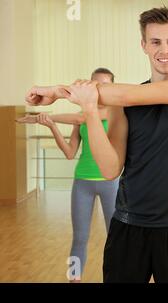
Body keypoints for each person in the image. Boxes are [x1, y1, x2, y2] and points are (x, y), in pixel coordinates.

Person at [25, 7, 168, 283]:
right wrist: (89, 110)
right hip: (129, 226)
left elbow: (136, 93)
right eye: (155, 42)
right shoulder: (120, 104)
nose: (165, 49)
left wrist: (58, 91)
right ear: (144, 46)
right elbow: (111, 168)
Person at [18, 68, 119, 282]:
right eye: (94, 85)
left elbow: (81, 116)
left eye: (104, 85)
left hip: (111, 184)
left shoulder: (114, 113)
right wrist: (51, 125)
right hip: (82, 182)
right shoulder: (82, 121)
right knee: (79, 239)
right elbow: (69, 152)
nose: (99, 90)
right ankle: (74, 279)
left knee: (116, 240)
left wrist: (41, 118)